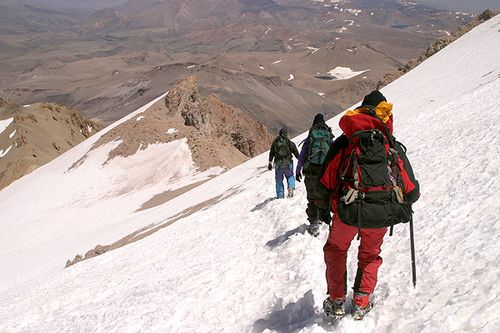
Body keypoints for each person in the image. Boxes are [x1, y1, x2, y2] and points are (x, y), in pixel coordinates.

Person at [319, 90, 420, 320]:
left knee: (336, 250)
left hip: (347, 210)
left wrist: (326, 205)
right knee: (370, 254)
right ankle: (362, 301)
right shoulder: (389, 144)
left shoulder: (346, 141)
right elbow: (412, 191)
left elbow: (326, 178)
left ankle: (336, 300)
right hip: (380, 212)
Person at [296, 113, 334, 237]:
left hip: (310, 172)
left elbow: (303, 154)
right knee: (324, 196)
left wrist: (298, 170)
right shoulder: (328, 135)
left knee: (312, 197)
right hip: (324, 172)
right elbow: (333, 153)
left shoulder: (311, 135)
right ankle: (324, 216)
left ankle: (314, 223)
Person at [268, 128, 300, 199]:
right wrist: (301, 162)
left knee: (279, 180)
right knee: (290, 176)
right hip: (288, 164)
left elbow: (271, 154)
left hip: (278, 165)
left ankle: (280, 195)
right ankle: (291, 189)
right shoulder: (290, 143)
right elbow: (297, 155)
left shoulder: (275, 143)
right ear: (286, 134)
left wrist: (270, 163)